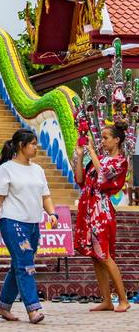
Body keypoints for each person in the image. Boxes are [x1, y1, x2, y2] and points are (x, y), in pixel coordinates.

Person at [0, 128, 58, 324]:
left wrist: (52, 214)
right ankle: (33, 309)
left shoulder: (38, 170)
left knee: (19, 265)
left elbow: (46, 196)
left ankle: (4, 306)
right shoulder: (5, 169)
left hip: (33, 224)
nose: (35, 147)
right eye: (32, 144)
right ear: (20, 146)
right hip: (13, 223)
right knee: (26, 266)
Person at [73, 123, 130, 313]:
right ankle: (107, 300)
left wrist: (92, 153)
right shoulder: (101, 159)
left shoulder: (120, 161)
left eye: (106, 138)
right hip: (89, 209)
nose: (103, 141)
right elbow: (81, 180)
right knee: (95, 258)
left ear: (117, 140)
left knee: (104, 256)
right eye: (102, 138)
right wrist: (81, 157)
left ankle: (123, 299)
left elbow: (104, 177)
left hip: (101, 212)